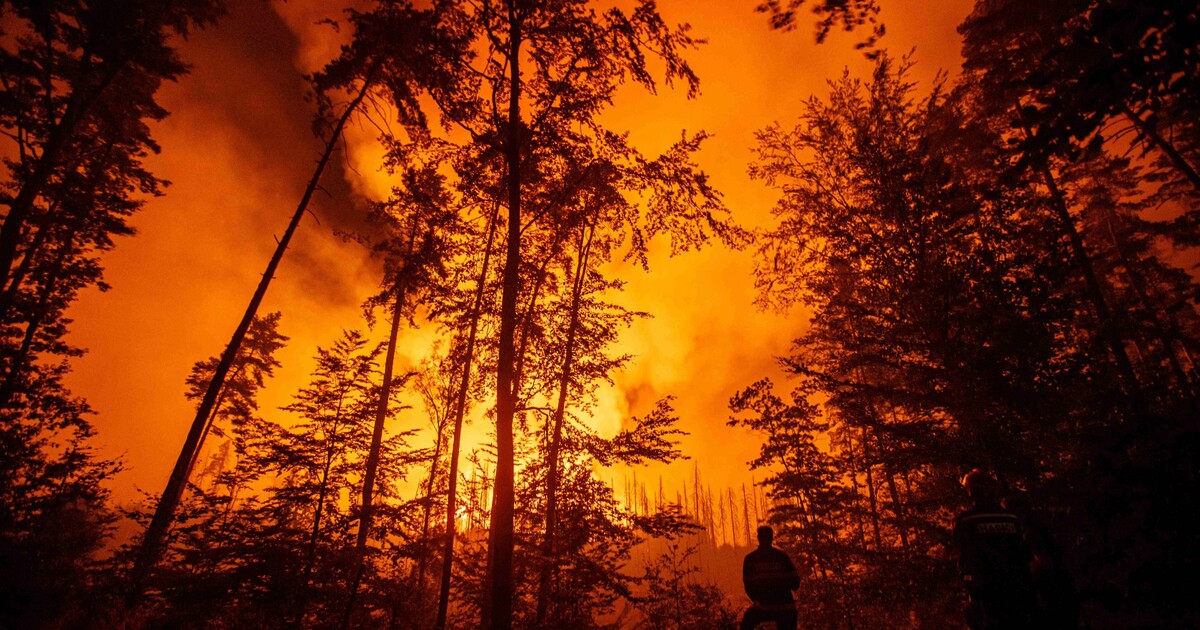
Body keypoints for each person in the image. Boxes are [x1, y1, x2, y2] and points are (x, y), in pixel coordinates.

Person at [953, 469, 1036, 629]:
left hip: (984, 590)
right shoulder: (1010, 518)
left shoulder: (965, 520)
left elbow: (960, 549)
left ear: (971, 492)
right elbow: (1021, 549)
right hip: (1015, 587)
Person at [740, 525, 799, 630]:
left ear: (759, 538)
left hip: (763, 607)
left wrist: (759, 600)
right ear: (772, 538)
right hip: (785, 607)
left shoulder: (750, 559)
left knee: (746, 623)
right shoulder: (782, 557)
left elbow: (748, 586)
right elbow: (795, 584)